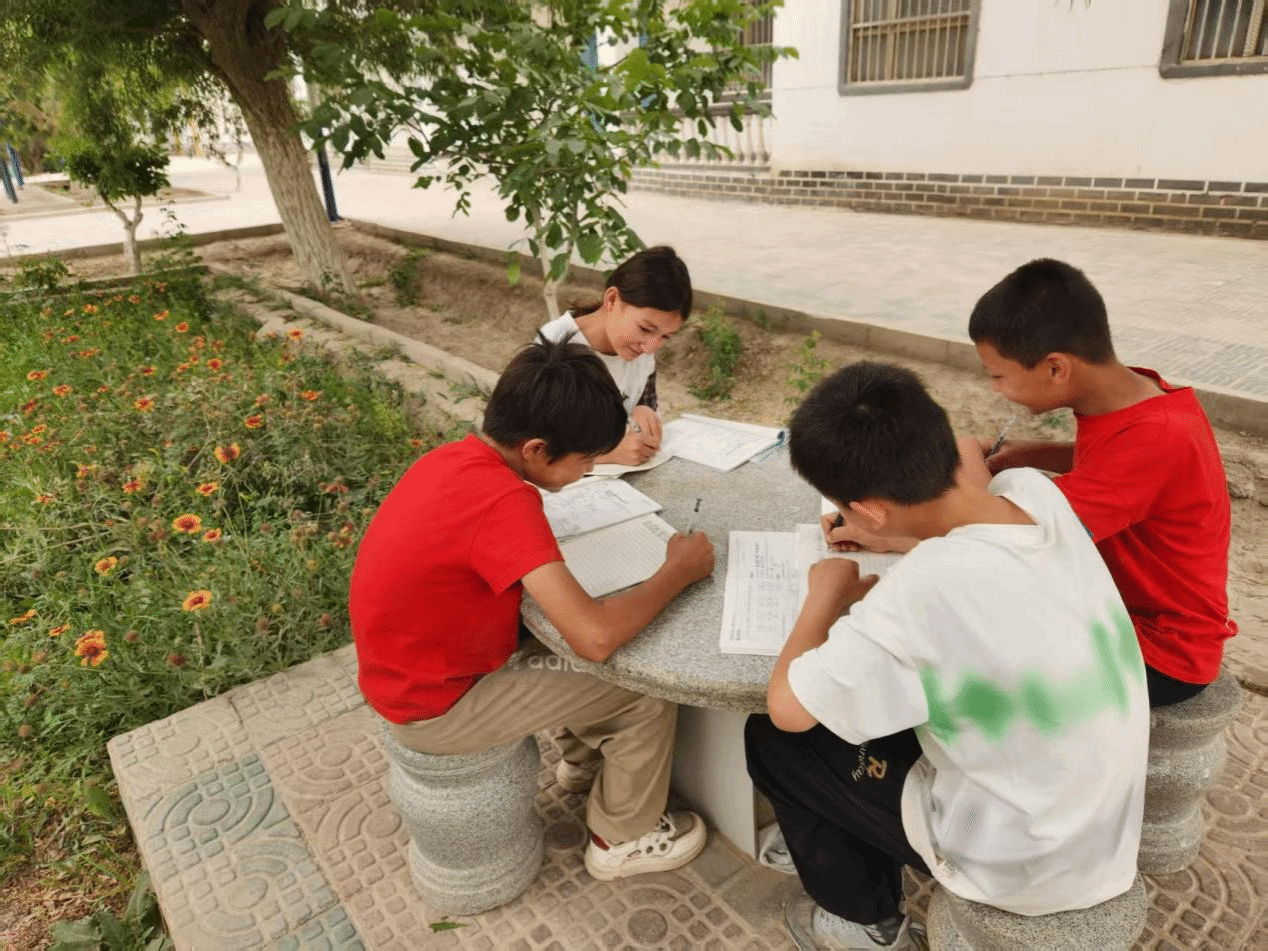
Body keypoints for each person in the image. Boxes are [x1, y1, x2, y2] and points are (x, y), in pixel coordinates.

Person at [746, 361, 1149, 951]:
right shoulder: (1035, 494)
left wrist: (824, 597)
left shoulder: (924, 588)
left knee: (775, 742)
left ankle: (864, 925)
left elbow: (789, 708)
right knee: (888, 708)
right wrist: (896, 534)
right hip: (1103, 822)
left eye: (846, 507)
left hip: (1019, 863)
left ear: (869, 507)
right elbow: (968, 466)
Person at [349, 338, 715, 881]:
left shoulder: (452, 459)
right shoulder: (505, 503)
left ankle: (580, 764)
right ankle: (622, 838)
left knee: (553, 640)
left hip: (407, 674)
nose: (587, 471)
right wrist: (676, 572)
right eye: (585, 460)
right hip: (435, 707)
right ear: (538, 450)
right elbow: (594, 638)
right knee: (641, 689)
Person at [965, 258, 1238, 707]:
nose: (996, 389)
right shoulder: (1137, 397)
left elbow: (1006, 532)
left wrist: (966, 460)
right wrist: (1027, 452)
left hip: (1157, 650)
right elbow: (1112, 459)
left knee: (962, 659)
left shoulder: (1156, 437)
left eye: (998, 376)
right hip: (1110, 604)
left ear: (1056, 368)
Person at [536, 245, 692, 466]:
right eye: (646, 329)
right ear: (611, 300)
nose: (651, 347)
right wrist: (606, 454)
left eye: (665, 336)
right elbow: (533, 446)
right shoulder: (554, 347)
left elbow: (643, 398)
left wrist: (644, 410)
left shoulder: (641, 350)